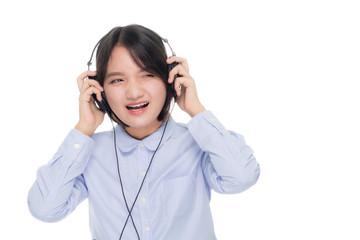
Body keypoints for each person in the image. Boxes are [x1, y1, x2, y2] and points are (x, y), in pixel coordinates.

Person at [28, 24, 260, 240]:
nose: (133, 92)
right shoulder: (90, 153)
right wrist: (84, 129)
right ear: (100, 90)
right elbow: (45, 209)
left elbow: (242, 178)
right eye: (118, 80)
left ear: (170, 78)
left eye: (147, 75)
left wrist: (195, 110)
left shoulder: (198, 142)